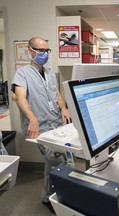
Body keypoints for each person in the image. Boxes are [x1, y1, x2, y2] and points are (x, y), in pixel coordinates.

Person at [11, 37, 71, 213]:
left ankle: (47, 196)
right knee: (58, 161)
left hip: (55, 122)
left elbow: (57, 93)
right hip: (40, 126)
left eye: (47, 50)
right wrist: (32, 119)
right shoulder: (22, 73)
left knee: (51, 162)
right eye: (41, 50)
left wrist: (64, 108)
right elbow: (20, 98)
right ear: (30, 51)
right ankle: (57, 199)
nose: (44, 54)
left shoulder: (50, 73)